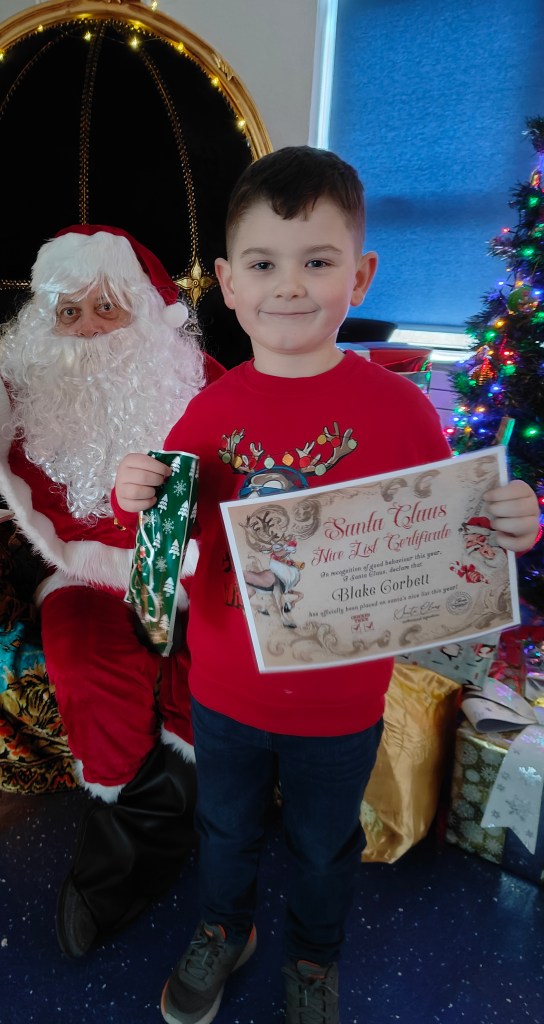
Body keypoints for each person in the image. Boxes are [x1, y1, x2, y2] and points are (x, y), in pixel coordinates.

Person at [113, 147, 541, 1024]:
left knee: (322, 845)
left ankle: (313, 956)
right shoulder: (210, 410)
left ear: (360, 275)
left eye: (317, 261)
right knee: (225, 831)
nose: (289, 286)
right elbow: (165, 533)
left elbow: (453, 538)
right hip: (225, 687)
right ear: (228, 283)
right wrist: (136, 496)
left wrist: (511, 525)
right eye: (264, 264)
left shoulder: (402, 412)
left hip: (342, 700)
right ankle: (226, 928)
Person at [0, 222, 225, 957]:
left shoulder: (200, 379)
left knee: (213, 678)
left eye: (107, 308)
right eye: (68, 311)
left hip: (198, 571)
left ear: (149, 315)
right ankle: (130, 835)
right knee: (86, 666)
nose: (85, 328)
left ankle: (167, 825)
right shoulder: (17, 392)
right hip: (83, 574)